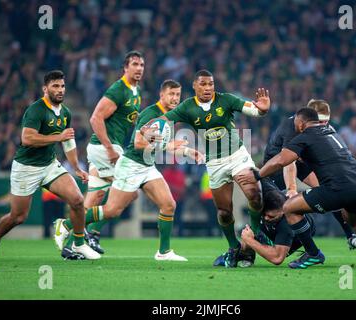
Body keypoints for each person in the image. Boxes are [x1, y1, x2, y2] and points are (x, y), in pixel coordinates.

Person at [58, 80, 204, 261]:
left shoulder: (170, 116)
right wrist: (166, 144)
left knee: (169, 205)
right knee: (112, 210)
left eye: (177, 95)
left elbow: (164, 146)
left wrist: (189, 151)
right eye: (171, 94)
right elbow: (138, 143)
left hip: (148, 167)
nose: (175, 98)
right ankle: (66, 224)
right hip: (132, 165)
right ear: (162, 95)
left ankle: (163, 252)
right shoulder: (151, 114)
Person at [237, 108, 356, 269]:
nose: (295, 126)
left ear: (301, 123)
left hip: (337, 188)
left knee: (289, 207)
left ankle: (313, 254)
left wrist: (257, 175)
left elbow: (282, 160)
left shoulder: (305, 136)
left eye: (296, 123)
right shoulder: (331, 132)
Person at [142, 70, 271, 267]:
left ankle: (254, 236)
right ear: (195, 86)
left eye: (211, 84)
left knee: (254, 194)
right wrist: (149, 126)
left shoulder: (226, 100)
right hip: (214, 163)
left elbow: (252, 108)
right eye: (203, 84)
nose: (208, 88)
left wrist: (261, 109)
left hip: (237, 156)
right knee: (224, 212)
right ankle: (233, 247)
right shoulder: (187, 106)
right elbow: (165, 119)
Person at [0, 70, 99, 265]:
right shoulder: (36, 110)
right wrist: (58, 137)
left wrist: (76, 168)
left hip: (49, 165)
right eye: (55, 86)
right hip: (26, 168)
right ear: (45, 88)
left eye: (62, 86)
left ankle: (78, 243)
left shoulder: (65, 112)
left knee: (77, 200)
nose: (60, 90)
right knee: (18, 216)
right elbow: (27, 138)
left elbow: (68, 143)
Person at [65, 51, 145, 254]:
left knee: (95, 197)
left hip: (107, 148)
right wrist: (109, 148)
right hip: (104, 148)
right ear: (125, 68)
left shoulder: (136, 93)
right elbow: (95, 118)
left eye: (142, 65)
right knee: (130, 192)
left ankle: (73, 245)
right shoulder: (118, 89)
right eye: (135, 64)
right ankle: (75, 228)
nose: (139, 68)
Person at [263, 99, 356, 249]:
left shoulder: (322, 127)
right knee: (271, 207)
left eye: (326, 121)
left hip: (302, 163)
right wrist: (292, 188)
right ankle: (254, 243)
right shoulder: (290, 128)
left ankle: (350, 235)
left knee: (330, 189)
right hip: (277, 165)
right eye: (321, 121)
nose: (324, 125)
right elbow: (288, 162)